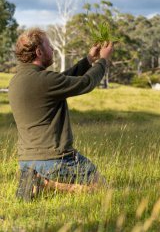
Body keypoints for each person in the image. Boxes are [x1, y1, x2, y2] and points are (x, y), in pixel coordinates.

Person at [8, 28, 113, 201]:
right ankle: (46, 183)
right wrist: (103, 61)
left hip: (26, 161)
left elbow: (62, 80)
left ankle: (34, 179)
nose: (53, 49)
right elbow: (85, 83)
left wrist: (88, 60)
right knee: (102, 188)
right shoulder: (45, 80)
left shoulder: (18, 80)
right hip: (55, 158)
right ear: (39, 52)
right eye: (49, 45)